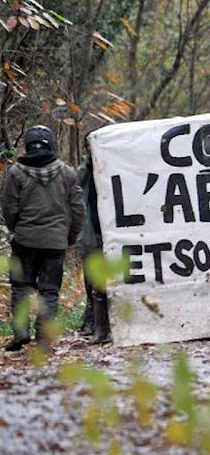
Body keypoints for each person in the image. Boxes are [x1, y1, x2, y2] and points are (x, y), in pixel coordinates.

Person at [2, 126, 84, 351]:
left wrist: (16, 229)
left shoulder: (16, 173)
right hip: (55, 242)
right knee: (49, 291)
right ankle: (44, 339)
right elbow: (78, 210)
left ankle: (20, 333)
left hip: (24, 242)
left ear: (28, 144)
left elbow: (9, 209)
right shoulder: (67, 173)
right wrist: (69, 237)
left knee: (20, 288)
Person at [76, 140, 110, 343]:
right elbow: (77, 189)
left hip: (112, 229)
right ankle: (93, 321)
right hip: (93, 231)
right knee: (93, 277)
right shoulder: (84, 171)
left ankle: (103, 323)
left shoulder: (116, 163)